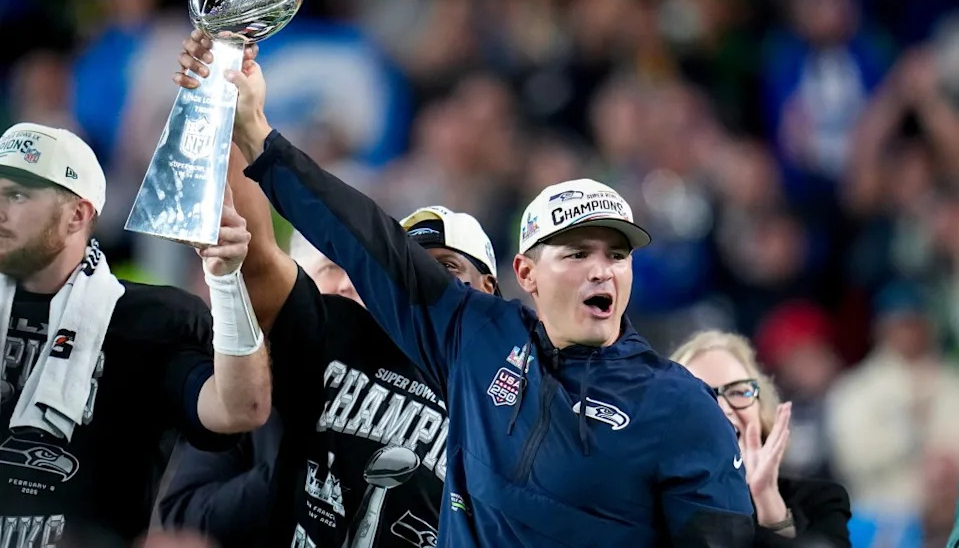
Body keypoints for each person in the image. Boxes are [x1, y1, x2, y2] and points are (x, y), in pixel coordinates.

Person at [175, 30, 754, 545]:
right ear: (526, 274)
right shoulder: (476, 337)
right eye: (577, 254)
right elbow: (363, 238)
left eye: (616, 256)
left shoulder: (679, 404)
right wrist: (254, 131)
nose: (601, 270)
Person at [157, 139, 499, 545]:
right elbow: (259, 259)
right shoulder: (338, 330)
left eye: (446, 267)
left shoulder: (506, 404)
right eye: (412, 270)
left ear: (489, 288)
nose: (427, 285)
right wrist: (233, 125)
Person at [0, 122, 271, 547]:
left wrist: (227, 282)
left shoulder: (151, 320)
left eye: (17, 195)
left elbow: (240, 409)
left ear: (77, 215)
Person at [671, 330, 851, 547]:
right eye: (701, 395)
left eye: (738, 392)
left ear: (761, 408)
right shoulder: (648, 509)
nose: (723, 408)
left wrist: (767, 500)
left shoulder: (822, 500)